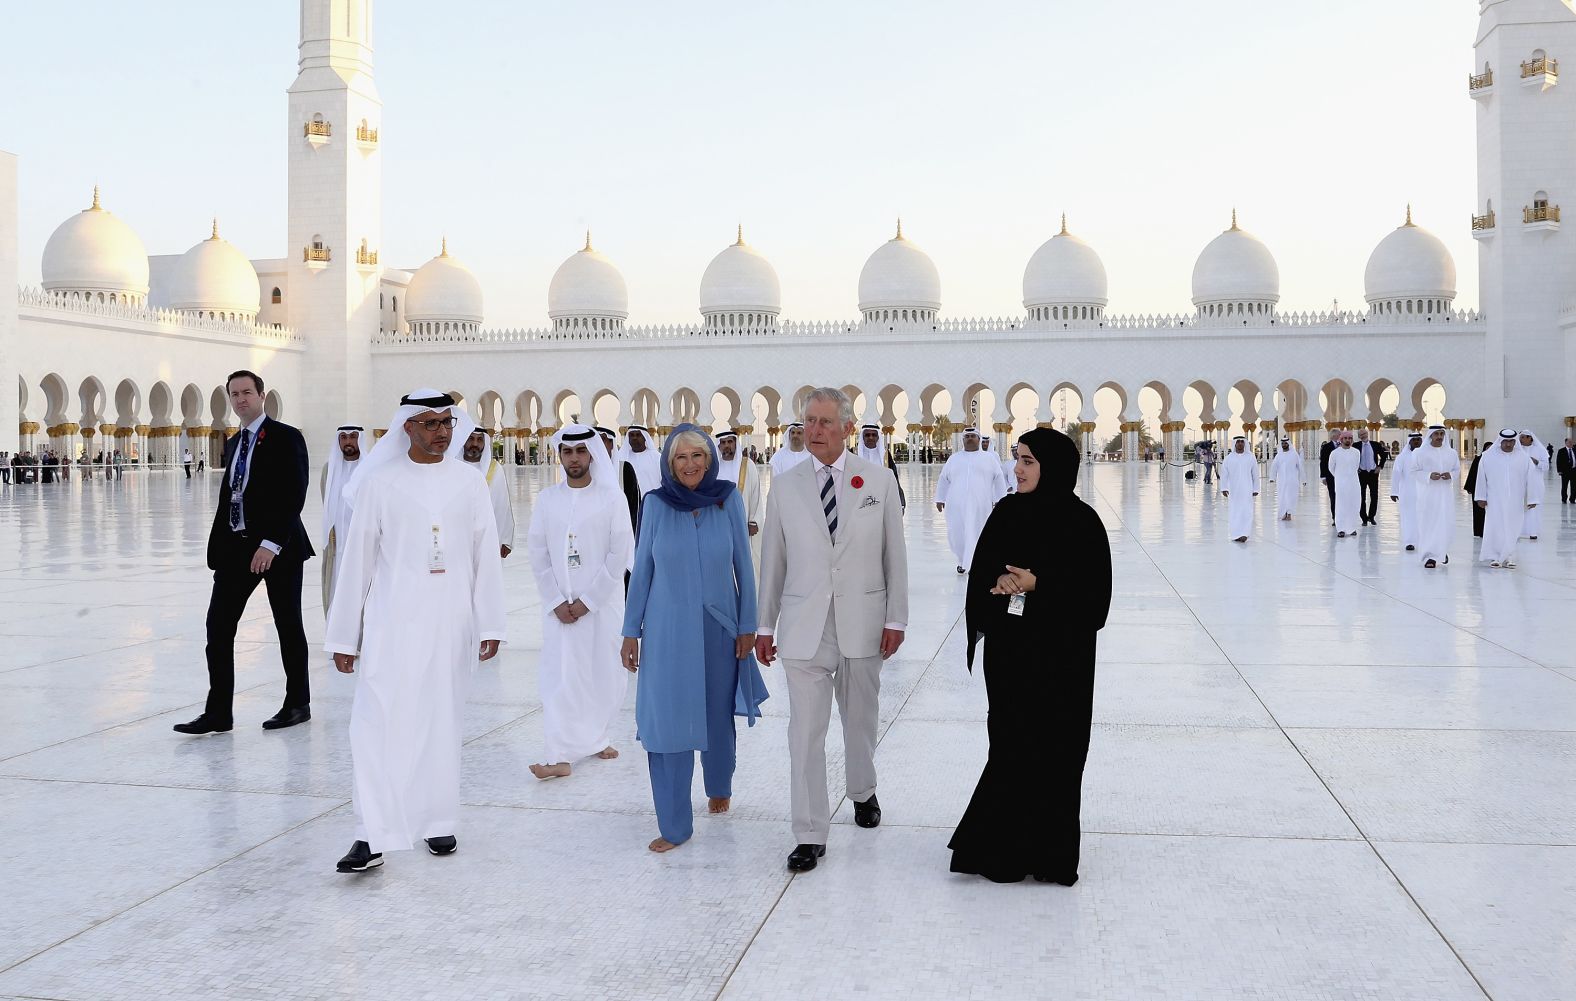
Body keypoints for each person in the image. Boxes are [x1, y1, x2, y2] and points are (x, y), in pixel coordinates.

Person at [324, 389, 505, 873]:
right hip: (391, 624)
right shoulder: (380, 484)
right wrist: (344, 636)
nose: (442, 432)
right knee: (374, 724)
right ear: (407, 427)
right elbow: (356, 560)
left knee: (441, 720)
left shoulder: (469, 483)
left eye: (446, 423)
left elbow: (486, 555)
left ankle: (436, 818)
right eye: (430, 424)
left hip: (451, 625)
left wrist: (490, 623)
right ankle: (370, 833)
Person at [755, 387, 908, 873]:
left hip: (862, 622)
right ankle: (809, 831)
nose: (814, 431)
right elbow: (773, 562)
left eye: (824, 422)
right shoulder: (785, 484)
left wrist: (895, 618)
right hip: (804, 626)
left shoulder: (877, 481)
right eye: (807, 422)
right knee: (804, 732)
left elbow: (894, 556)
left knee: (859, 720)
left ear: (846, 427)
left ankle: (862, 790)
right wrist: (764, 623)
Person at [949, 428, 1111, 885]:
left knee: (1058, 753)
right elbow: (983, 573)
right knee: (1011, 746)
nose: (1016, 469)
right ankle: (1005, 852)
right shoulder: (1007, 513)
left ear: (1053, 467)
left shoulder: (1084, 524)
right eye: (1017, 459)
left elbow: (1096, 603)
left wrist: (1040, 584)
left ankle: (1051, 856)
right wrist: (996, 589)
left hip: (1064, 665)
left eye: (1028, 462)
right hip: (1012, 659)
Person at [620, 425, 767, 852]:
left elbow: (745, 564)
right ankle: (674, 824)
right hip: (666, 632)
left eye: (697, 456)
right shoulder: (656, 505)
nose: (690, 465)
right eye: (680, 458)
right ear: (669, 462)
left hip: (719, 629)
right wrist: (631, 631)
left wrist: (747, 625)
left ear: (710, 460)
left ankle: (719, 783)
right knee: (667, 723)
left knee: (716, 715)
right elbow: (642, 572)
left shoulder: (727, 500)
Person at [174, 370, 314, 736]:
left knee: (287, 625)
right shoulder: (235, 443)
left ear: (262, 395)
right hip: (237, 550)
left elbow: (294, 492)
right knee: (218, 627)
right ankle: (218, 712)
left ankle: (297, 703)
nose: (240, 400)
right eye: (234, 394)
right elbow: (230, 496)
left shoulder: (286, 437)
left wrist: (271, 543)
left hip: (278, 549)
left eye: (247, 393)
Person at [525, 424, 635, 780]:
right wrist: (556, 599)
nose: (574, 458)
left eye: (580, 452)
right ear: (560, 456)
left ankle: (596, 736)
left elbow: (619, 553)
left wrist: (589, 600)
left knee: (605, 674)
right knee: (560, 677)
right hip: (559, 610)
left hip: (602, 606)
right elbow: (538, 553)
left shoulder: (611, 498)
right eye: (567, 452)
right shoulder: (547, 500)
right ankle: (559, 754)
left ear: (591, 455)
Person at [935, 428, 1008, 574]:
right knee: (957, 534)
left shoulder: (989, 459)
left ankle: (972, 563)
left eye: (973, 436)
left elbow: (999, 479)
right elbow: (943, 479)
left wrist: (1001, 499)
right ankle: (962, 560)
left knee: (977, 532)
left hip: (981, 505)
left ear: (979, 439)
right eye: (967, 436)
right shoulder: (954, 458)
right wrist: (940, 498)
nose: (970, 439)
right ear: (963, 440)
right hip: (956, 505)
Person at [1476, 428, 1541, 569]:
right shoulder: (1488, 456)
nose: (1508, 444)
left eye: (1511, 441)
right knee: (1496, 526)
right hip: (1494, 499)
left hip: (1515, 500)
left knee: (1513, 527)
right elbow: (1481, 477)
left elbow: (1531, 478)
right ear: (1500, 441)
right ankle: (1495, 555)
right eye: (1505, 441)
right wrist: (1481, 497)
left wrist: (1532, 498)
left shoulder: (1523, 457)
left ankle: (1509, 556)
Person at [319, 425, 363, 614]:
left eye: (353, 437)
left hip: (361, 542)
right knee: (336, 588)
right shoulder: (329, 470)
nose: (348, 442)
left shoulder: (369, 469)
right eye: (343, 438)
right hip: (336, 544)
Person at [461, 428, 515, 558]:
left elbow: (503, 506)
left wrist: (506, 540)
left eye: (479, 440)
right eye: (470, 439)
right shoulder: (453, 467)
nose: (475, 444)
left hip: (488, 536)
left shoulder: (495, 469)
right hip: (459, 536)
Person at [1412, 425, 1459, 569]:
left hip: (1445, 495)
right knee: (1428, 523)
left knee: (1444, 523)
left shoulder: (1451, 453)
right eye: (1436, 434)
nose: (1439, 436)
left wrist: (1450, 475)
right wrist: (1428, 475)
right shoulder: (1420, 452)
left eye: (1441, 434)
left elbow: (1456, 469)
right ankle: (1430, 556)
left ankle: (1441, 551)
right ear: (1430, 435)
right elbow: (1414, 471)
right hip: (1428, 495)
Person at [715, 428, 763, 546]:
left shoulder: (747, 465)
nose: (727, 445)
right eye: (723, 442)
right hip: (720, 521)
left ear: (735, 443)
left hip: (743, 519)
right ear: (719, 446)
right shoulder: (714, 468)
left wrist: (754, 520)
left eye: (730, 442)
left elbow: (755, 494)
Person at [596, 426, 642, 534]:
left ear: (611, 444)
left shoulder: (624, 469)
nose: (598, 445)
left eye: (602, 440)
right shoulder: (585, 472)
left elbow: (635, 508)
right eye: (595, 441)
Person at [855, 422, 906, 511]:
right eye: (867, 435)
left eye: (874, 435)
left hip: (882, 501)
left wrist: (900, 502)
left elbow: (894, 479)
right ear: (863, 437)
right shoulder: (854, 455)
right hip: (859, 502)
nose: (871, 437)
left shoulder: (885, 456)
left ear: (878, 437)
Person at [1218, 435, 1259, 542]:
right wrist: (1224, 488)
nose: (1240, 443)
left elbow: (1255, 474)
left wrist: (1256, 489)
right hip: (1234, 490)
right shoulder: (1229, 458)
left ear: (1244, 443)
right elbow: (1224, 474)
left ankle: (1245, 533)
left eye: (1242, 441)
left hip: (1247, 490)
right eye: (1238, 442)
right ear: (1235, 444)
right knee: (1235, 512)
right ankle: (1236, 534)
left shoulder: (1250, 457)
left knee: (1247, 511)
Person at [1390, 432, 1423, 551]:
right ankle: (1409, 541)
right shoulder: (1402, 457)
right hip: (1407, 492)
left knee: (1423, 516)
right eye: (1414, 440)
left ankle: (1423, 541)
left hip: (1424, 493)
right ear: (1409, 442)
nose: (1416, 442)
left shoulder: (1425, 455)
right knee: (1408, 517)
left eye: (1418, 440)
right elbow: (1396, 474)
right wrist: (1394, 491)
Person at [1329, 430, 1361, 538]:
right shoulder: (1335, 453)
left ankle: (1352, 528)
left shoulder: (1356, 452)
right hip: (1341, 484)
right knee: (1341, 505)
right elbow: (1331, 468)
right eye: (1346, 438)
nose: (1348, 440)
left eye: (1350, 438)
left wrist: (1349, 476)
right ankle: (1341, 529)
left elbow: (1356, 466)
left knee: (1354, 504)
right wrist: (1339, 477)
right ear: (1341, 439)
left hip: (1354, 483)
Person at [1517, 430, 1548, 540]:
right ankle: (1518, 531)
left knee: (1534, 508)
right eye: (1520, 438)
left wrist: (1536, 462)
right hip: (1521, 483)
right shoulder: (1517, 450)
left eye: (1523, 437)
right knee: (1520, 507)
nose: (1520, 440)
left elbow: (1546, 466)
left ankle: (1533, 531)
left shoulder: (1539, 449)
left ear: (1530, 438)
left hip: (1536, 483)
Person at [617, 425, 662, 496]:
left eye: (638, 435)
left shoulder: (656, 457)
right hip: (630, 503)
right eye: (631, 435)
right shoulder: (621, 458)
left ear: (645, 438)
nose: (634, 438)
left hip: (651, 501)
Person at [1355, 428, 1387, 525]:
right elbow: (1352, 458)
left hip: (1373, 473)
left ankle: (1371, 516)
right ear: (1359, 436)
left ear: (1367, 433)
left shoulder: (1375, 444)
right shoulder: (1356, 446)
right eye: (1361, 434)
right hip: (1362, 474)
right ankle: (1364, 519)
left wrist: (1380, 466)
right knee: (1361, 497)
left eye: (1364, 433)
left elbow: (1383, 455)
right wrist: (1356, 468)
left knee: (1374, 496)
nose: (1363, 435)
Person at [1268, 436, 1302, 521]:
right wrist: (1272, 477)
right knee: (1282, 497)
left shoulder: (1294, 454)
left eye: (1285, 443)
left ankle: (1289, 514)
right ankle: (1284, 513)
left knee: (1290, 497)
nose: (1284, 445)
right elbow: (1274, 467)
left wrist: (1303, 480)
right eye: (1282, 443)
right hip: (1282, 481)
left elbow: (1300, 467)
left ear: (1289, 444)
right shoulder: (1279, 455)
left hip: (1292, 481)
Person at [1463, 441, 1491, 537]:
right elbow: (1472, 474)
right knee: (1478, 511)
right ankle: (1479, 531)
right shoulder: (1478, 459)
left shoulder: (1495, 460)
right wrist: (1470, 487)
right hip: (1478, 489)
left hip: (1491, 490)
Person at [1318, 428, 1340, 522]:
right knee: (1333, 496)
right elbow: (1323, 462)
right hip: (1330, 476)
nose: (1341, 436)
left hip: (1342, 476)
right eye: (1339, 434)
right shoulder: (1326, 447)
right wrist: (1323, 477)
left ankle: (1342, 516)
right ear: (1334, 436)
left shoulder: (1343, 446)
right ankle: (1335, 517)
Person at [1558, 437, 1576, 504]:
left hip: (1574, 471)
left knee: (1574, 486)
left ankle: (1572, 499)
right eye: (1569, 442)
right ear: (1566, 443)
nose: (1571, 443)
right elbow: (1558, 461)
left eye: (1572, 442)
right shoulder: (1561, 451)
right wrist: (1559, 470)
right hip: (1565, 472)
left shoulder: (1575, 449)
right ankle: (1564, 499)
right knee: (1564, 486)